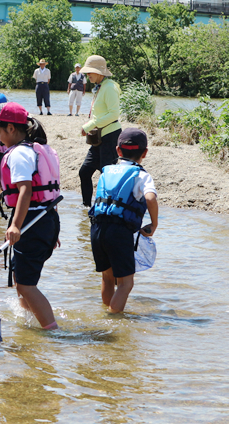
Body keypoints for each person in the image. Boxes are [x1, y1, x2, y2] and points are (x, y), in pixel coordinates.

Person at [0, 102, 61, 330]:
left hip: (32, 222)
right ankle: (28, 325)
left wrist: (16, 225)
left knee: (27, 285)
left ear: (10, 129)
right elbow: (50, 197)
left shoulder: (19, 154)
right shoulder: (34, 150)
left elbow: (26, 190)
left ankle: (52, 332)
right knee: (21, 281)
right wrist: (53, 230)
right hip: (43, 219)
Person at [89, 128, 158, 313]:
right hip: (119, 233)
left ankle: (106, 311)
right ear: (145, 153)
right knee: (126, 283)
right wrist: (154, 223)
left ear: (118, 150)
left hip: (97, 229)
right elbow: (150, 198)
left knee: (107, 277)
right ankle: (113, 321)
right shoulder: (141, 175)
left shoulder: (106, 172)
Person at [79, 55, 122, 208]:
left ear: (99, 72)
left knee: (107, 176)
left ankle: (108, 208)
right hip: (99, 137)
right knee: (84, 172)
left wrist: (90, 125)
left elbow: (113, 114)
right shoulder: (101, 86)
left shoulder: (109, 87)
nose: (87, 75)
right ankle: (86, 208)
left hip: (110, 136)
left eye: (90, 72)